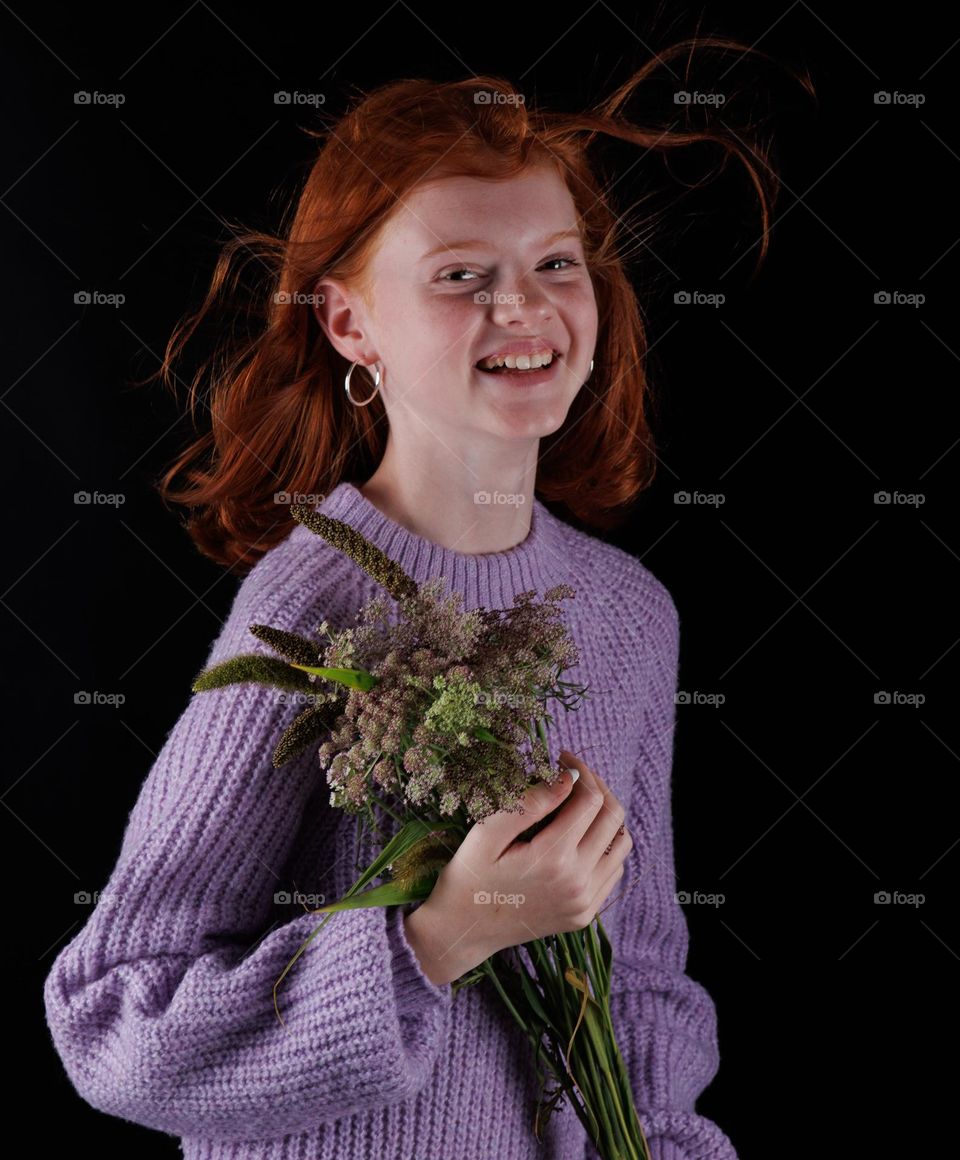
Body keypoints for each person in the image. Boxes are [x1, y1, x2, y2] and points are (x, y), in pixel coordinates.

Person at [44, 52, 783, 1159]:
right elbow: (114, 1017)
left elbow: (639, 985)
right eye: (458, 275)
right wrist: (446, 930)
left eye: (554, 261)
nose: (522, 304)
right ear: (349, 323)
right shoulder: (313, 605)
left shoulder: (632, 615)